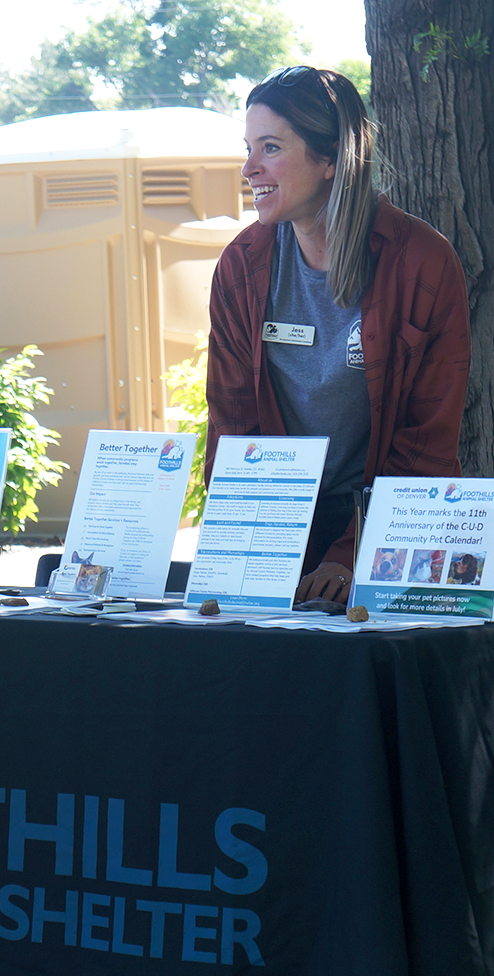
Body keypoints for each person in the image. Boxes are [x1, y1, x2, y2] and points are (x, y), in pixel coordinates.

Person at [206, 66, 471, 602]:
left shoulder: (423, 263)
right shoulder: (242, 266)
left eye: (271, 148)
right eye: (248, 148)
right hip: (277, 533)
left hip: (393, 530)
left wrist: (350, 554)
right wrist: (251, 556)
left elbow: (427, 442)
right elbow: (233, 430)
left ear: (329, 160)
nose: (248, 168)